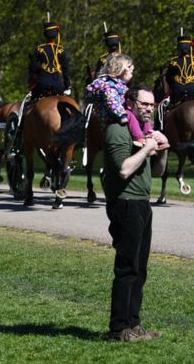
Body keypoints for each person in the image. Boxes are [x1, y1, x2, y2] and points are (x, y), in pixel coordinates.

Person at [102, 85, 167, 342]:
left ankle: (134, 324)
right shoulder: (118, 130)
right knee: (127, 268)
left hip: (142, 203)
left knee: (140, 269)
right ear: (130, 103)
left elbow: (159, 171)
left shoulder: (144, 133)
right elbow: (124, 169)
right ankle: (119, 328)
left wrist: (161, 147)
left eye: (152, 105)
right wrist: (145, 149)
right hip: (125, 203)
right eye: (144, 104)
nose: (149, 109)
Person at [85, 54, 168, 150]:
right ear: (122, 71)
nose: (132, 74)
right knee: (131, 115)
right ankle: (140, 138)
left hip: (118, 113)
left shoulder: (120, 85)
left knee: (144, 118)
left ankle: (150, 135)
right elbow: (112, 101)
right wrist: (122, 115)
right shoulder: (109, 85)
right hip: (112, 116)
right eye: (130, 71)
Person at [28, 20, 71, 99]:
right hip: (58, 85)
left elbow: (32, 68)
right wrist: (67, 86)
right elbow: (66, 70)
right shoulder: (61, 50)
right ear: (56, 35)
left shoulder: (39, 49)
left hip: (42, 84)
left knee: (31, 103)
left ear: (45, 34)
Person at [163, 34, 194, 107]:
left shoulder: (173, 61)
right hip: (193, 90)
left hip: (177, 90)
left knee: (163, 108)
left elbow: (168, 78)